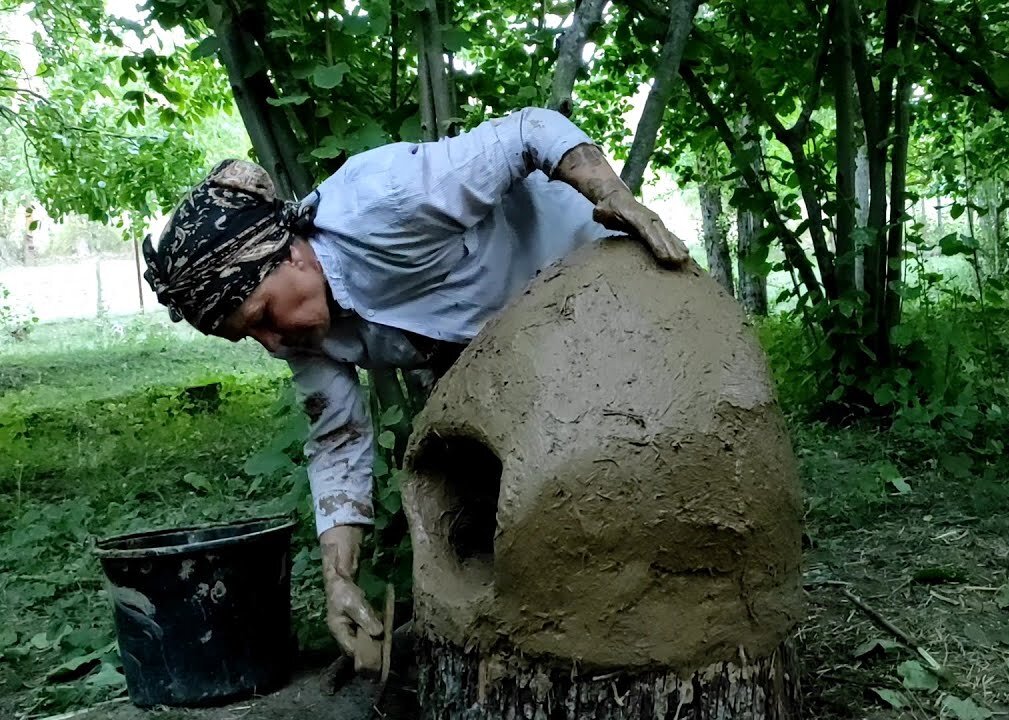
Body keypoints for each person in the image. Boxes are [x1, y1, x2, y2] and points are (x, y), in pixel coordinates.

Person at [142, 106, 689, 667]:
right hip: (514, 357)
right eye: (249, 338)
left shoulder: (380, 202)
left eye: (262, 316)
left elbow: (529, 132)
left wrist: (615, 195)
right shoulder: (306, 336)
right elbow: (337, 440)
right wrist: (339, 581)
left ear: (289, 253)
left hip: (595, 282)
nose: (272, 343)